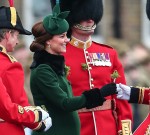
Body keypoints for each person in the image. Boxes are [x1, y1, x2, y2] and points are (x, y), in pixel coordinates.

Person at [29, 4, 118, 135]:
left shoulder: (54, 67)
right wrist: (100, 93)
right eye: (61, 36)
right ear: (48, 41)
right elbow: (65, 103)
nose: (66, 40)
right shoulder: (43, 70)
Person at [49, 0, 133, 135]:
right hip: (75, 129)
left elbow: (121, 96)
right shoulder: (57, 56)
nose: (89, 19)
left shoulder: (110, 54)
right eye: (83, 16)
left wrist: (124, 130)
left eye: (92, 14)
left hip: (107, 129)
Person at [0, 1, 52, 135]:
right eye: (16, 35)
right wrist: (38, 120)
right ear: (8, 34)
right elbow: (17, 106)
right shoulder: (9, 65)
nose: (17, 41)